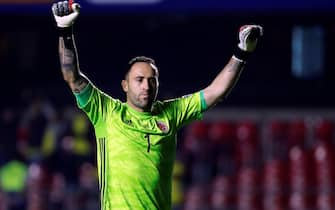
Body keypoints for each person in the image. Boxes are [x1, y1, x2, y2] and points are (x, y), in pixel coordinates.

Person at [51, 1, 263, 209]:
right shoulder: (106, 111)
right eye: (139, 80)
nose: (146, 86)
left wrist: (242, 52)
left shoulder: (171, 113)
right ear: (124, 85)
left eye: (152, 80)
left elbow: (215, 92)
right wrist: (64, 30)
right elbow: (72, 76)